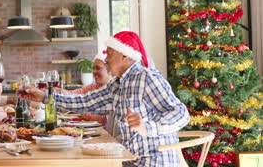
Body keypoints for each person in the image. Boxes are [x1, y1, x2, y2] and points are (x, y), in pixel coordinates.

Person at [20, 31, 190, 167]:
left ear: (125, 56)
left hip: (154, 160)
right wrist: (45, 97)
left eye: (109, 54)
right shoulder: (117, 84)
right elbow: (84, 102)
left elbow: (181, 113)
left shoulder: (147, 77)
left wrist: (147, 127)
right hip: (130, 159)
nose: (106, 59)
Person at [56, 53, 113, 130]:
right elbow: (74, 94)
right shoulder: (94, 86)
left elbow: (104, 119)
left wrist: (82, 111)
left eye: (98, 68)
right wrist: (57, 91)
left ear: (109, 69)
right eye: (93, 68)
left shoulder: (113, 89)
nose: (94, 72)